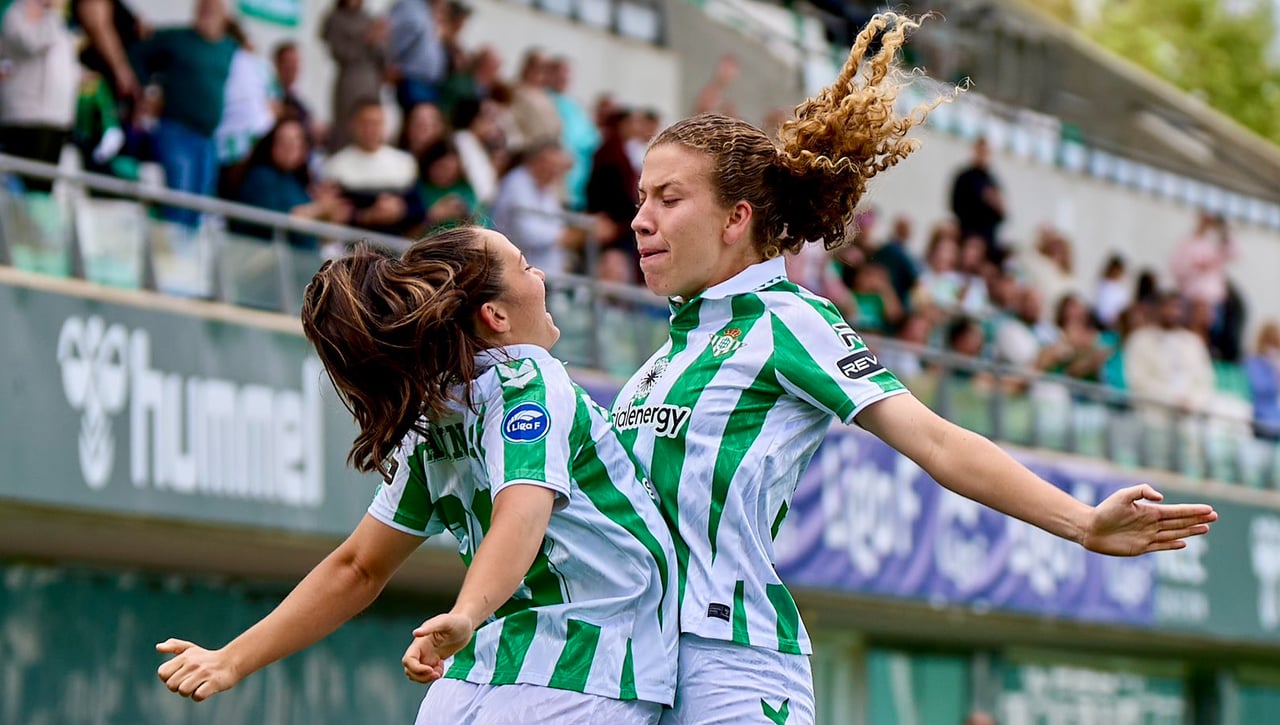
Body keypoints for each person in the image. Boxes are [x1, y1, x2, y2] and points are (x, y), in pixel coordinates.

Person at [617, 13, 1217, 724]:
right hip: (636, 664)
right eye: (641, 199)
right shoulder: (662, 359)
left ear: (735, 218)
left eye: (668, 198)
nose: (641, 218)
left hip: (732, 664)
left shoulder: (787, 320)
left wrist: (1083, 523)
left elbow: (935, 441)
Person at [156, 227, 679, 723]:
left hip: (474, 679)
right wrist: (466, 613)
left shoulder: (433, 415)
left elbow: (359, 568)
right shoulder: (530, 379)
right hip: (588, 671)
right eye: (525, 266)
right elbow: (520, 514)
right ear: (495, 315)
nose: (540, 275)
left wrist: (231, 660)